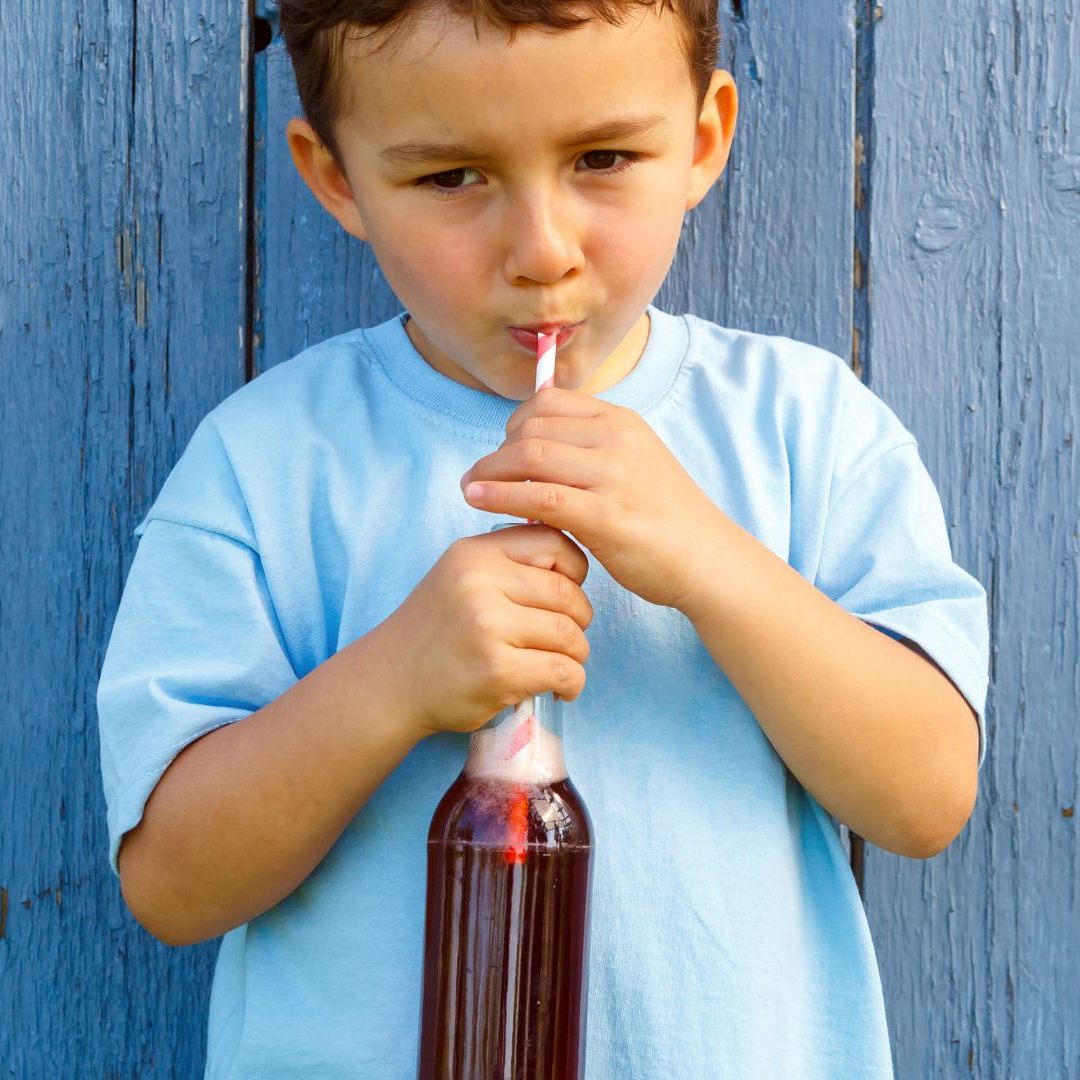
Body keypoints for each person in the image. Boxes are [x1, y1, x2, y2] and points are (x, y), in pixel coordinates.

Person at [96, 1, 989, 1076]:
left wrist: (710, 562)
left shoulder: (805, 429)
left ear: (702, 140)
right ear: (336, 178)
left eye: (603, 157)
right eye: (450, 178)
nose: (542, 250)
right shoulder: (270, 462)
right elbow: (174, 885)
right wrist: (391, 683)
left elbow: (927, 795)